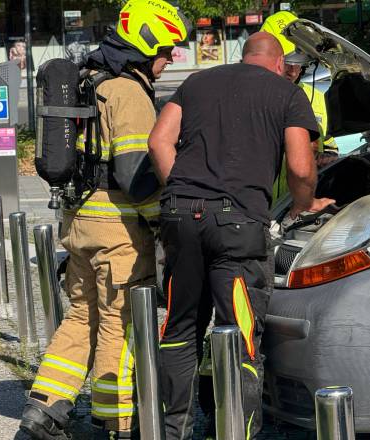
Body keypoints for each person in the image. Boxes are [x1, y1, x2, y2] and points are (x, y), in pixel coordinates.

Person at [148, 32, 335, 439]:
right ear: (278, 63)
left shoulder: (197, 81)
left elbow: (159, 139)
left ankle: (169, 430)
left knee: (180, 328)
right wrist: (306, 205)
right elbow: (302, 166)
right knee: (240, 334)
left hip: (180, 216)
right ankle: (237, 432)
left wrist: (179, 189)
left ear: (245, 55)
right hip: (238, 227)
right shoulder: (286, 94)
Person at [18, 1, 190, 439]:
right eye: (167, 50)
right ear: (145, 44)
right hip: (119, 233)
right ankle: (115, 422)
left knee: (80, 317)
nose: (170, 59)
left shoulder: (87, 80)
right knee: (120, 323)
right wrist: (165, 224)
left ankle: (44, 409)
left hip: (79, 224)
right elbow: (137, 176)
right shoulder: (128, 91)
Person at [261, 11, 339, 202]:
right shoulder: (253, 96)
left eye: (299, 62)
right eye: (287, 62)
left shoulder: (317, 98)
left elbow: (328, 143)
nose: (293, 70)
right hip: (257, 206)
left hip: (295, 205)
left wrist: (328, 154)